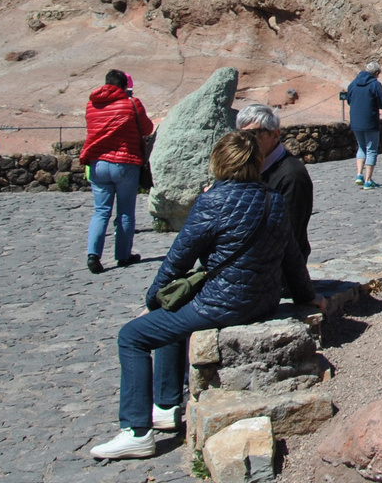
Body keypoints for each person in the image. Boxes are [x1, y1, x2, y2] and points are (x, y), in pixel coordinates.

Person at [88, 131, 322, 461]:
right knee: (171, 315)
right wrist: (307, 296)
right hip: (264, 299)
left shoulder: (212, 201)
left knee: (132, 336)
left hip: (223, 304)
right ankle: (166, 406)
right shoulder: (274, 200)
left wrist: (152, 302)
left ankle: (136, 432)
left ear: (218, 162)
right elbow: (292, 257)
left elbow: (177, 261)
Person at [82, 70, 154, 275]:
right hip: (124, 162)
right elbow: (147, 129)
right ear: (124, 86)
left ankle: (93, 255)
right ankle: (123, 255)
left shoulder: (91, 105)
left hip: (97, 163)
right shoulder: (132, 103)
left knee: (100, 211)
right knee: (125, 211)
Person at [238, 104, 313, 286]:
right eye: (242, 135)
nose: (246, 141)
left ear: (275, 134)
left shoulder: (291, 176)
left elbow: (288, 236)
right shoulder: (246, 166)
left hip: (276, 273)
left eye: (254, 134)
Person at [344, 61, 382, 189]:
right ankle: (368, 180)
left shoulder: (353, 83)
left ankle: (359, 174)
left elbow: (349, 100)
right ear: (376, 73)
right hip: (370, 121)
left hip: (356, 121)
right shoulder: (375, 84)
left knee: (361, 147)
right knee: (371, 149)